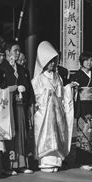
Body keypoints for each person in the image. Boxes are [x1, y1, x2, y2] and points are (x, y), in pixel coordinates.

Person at [32, 41, 76, 173]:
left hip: (57, 112)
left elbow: (62, 93)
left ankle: (56, 161)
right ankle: (45, 162)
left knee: (58, 134)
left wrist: (69, 88)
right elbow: (36, 96)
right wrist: (47, 94)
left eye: (54, 61)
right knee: (46, 136)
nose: (52, 64)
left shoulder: (58, 77)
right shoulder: (38, 79)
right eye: (50, 61)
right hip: (45, 113)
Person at [0, 41, 34, 174]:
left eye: (18, 51)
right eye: (15, 50)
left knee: (21, 133)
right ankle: (9, 165)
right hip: (7, 106)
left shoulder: (21, 69)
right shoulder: (1, 69)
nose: (17, 53)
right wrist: (12, 88)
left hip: (20, 105)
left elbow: (28, 86)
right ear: (7, 52)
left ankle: (22, 163)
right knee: (10, 133)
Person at [71, 51, 92, 171]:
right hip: (82, 107)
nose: (89, 63)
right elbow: (72, 90)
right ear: (82, 62)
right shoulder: (77, 75)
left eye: (91, 60)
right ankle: (83, 161)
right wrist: (74, 89)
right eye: (87, 60)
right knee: (83, 134)